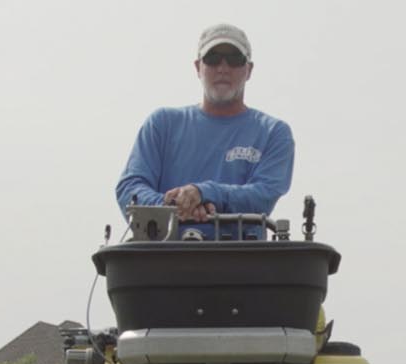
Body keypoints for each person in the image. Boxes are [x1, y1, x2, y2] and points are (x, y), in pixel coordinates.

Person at [115, 23, 295, 231]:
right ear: (198, 67)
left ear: (249, 69)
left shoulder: (273, 133)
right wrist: (173, 206)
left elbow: (263, 195)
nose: (223, 68)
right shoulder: (161, 124)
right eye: (213, 58)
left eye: (235, 59)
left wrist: (205, 193)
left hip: (243, 260)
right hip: (163, 259)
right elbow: (130, 188)